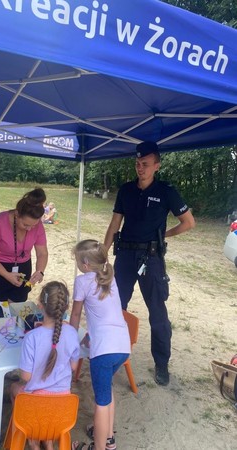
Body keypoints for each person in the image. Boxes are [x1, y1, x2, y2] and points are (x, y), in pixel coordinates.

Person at [104, 141, 195, 386]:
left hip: (151, 259)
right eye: (137, 163)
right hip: (124, 257)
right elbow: (114, 225)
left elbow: (188, 222)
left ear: (157, 165)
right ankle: (112, 354)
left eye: (145, 164)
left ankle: (162, 364)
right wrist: (103, 254)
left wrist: (164, 235)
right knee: (115, 306)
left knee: (157, 313)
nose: (140, 168)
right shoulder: (126, 190)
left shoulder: (166, 191)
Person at [70, 239, 130, 450]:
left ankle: (99, 446)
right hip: (122, 346)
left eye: (77, 259)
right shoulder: (109, 278)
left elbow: (76, 313)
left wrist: (70, 338)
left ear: (85, 264)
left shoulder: (82, 281)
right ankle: (108, 437)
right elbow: (105, 315)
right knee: (106, 391)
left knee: (101, 403)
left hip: (104, 351)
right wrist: (90, 335)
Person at [10, 281, 80, 450]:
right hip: (63, 403)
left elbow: (26, 377)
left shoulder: (32, 337)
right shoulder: (71, 333)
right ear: (65, 308)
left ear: (40, 306)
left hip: (35, 401)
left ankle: (32, 439)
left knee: (13, 388)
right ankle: (48, 441)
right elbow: (74, 367)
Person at [0, 187, 48, 303]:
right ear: (17, 214)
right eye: (25, 224)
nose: (29, 229)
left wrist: (40, 271)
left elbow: (42, 253)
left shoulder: (37, 225)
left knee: (16, 310)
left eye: (33, 226)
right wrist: (6, 274)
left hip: (22, 269)